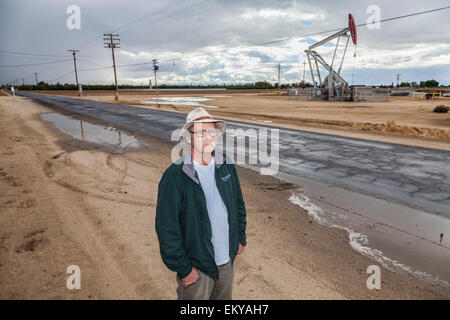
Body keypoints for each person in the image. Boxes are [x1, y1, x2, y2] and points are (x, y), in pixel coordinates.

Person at [155, 107, 247, 300]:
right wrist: (184, 268)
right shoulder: (175, 175)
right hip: (197, 268)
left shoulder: (226, 165)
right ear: (188, 138)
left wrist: (240, 238)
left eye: (212, 132)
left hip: (226, 262)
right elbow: (167, 229)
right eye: (201, 132)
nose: (208, 137)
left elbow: (238, 205)